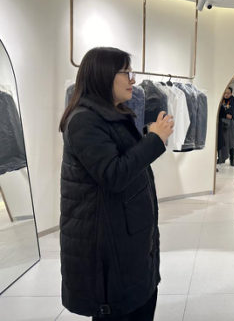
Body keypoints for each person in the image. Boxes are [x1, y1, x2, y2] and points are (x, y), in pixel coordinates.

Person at [59, 47, 174, 320]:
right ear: (104, 75)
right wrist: (154, 140)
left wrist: (150, 138)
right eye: (126, 72)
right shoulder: (84, 120)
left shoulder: (113, 113)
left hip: (127, 237)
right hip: (108, 244)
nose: (133, 80)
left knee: (141, 304)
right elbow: (114, 174)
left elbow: (124, 162)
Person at [218, 86, 234, 166]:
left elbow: (232, 111)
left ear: (231, 94)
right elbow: (220, 111)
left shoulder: (233, 101)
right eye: (225, 93)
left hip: (230, 124)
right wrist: (225, 113)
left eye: (228, 93)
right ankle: (221, 158)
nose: (226, 95)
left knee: (231, 142)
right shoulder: (220, 100)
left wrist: (225, 112)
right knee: (221, 141)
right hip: (221, 124)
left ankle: (232, 160)